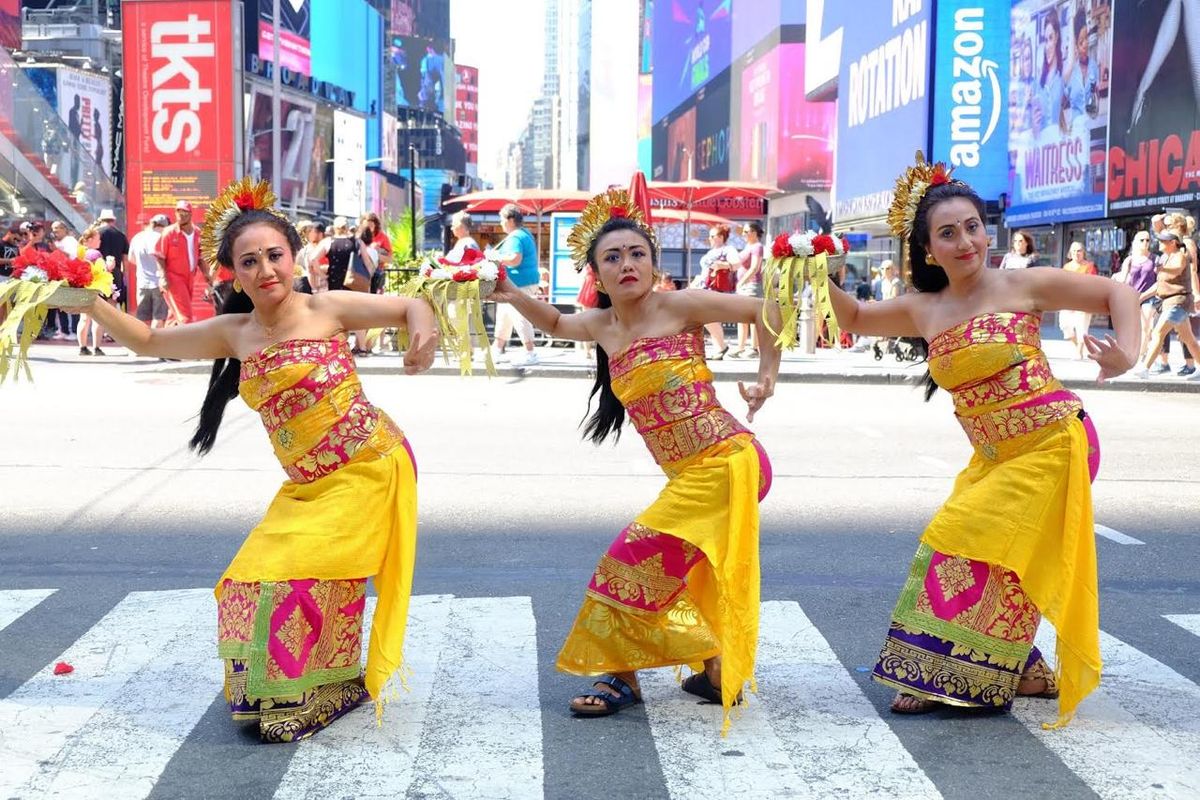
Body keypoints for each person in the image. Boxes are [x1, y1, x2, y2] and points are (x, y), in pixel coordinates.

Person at [70, 177, 439, 743]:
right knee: (245, 579)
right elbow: (146, 341)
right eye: (249, 262)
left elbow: (412, 306)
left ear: (294, 257)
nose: (265, 270)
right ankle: (312, 678)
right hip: (308, 485)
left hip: (369, 467)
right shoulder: (234, 333)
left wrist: (423, 338)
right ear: (232, 272)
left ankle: (334, 684)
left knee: (297, 576)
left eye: (274, 255)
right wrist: (81, 297)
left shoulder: (327, 307)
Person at [827, 153, 1138, 727]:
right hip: (994, 456)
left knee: (968, 536)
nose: (966, 241)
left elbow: (1118, 293)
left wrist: (1128, 352)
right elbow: (854, 319)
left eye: (973, 226)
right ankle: (1008, 667)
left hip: (1055, 441)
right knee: (981, 549)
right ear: (927, 250)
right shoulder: (924, 309)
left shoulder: (1020, 284)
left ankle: (952, 671)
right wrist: (812, 267)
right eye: (948, 233)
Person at [489, 188, 781, 729]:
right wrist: (506, 290)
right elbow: (554, 324)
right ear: (597, 274)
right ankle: (718, 670)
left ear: (654, 262)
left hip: (729, 459)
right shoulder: (602, 327)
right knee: (692, 572)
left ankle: (620, 675)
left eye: (637, 254)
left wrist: (766, 377)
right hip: (692, 474)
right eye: (613, 257)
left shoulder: (680, 306)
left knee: (629, 560)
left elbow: (766, 310)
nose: (627, 264)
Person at [1134, 230, 1200, 378]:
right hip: (1169, 302)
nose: (1159, 243)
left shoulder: (1180, 255)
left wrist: (1162, 268)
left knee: (1158, 332)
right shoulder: (1166, 258)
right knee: (1189, 339)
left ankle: (1145, 368)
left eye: (1163, 241)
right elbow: (1159, 284)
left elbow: (1177, 270)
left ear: (1173, 243)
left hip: (1178, 301)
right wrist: (1141, 297)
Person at [488, 204, 540, 366]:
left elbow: (515, 260)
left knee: (519, 316)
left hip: (519, 284)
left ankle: (530, 352)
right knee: (504, 315)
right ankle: (496, 349)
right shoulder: (524, 234)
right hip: (521, 282)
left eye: (502, 219)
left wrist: (494, 256)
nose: (500, 223)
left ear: (510, 220)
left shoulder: (515, 237)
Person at [156, 200, 210, 325]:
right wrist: (163, 277)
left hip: (189, 278)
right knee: (186, 317)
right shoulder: (169, 233)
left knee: (174, 315)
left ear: (190, 214)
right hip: (173, 279)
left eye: (184, 212)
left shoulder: (197, 233)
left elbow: (200, 256)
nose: (181, 215)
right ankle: (189, 343)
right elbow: (159, 256)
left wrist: (207, 274)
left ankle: (167, 342)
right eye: (178, 211)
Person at [1113, 230, 1163, 367]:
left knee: (1145, 326)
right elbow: (1123, 280)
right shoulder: (1130, 260)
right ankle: (1140, 352)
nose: (1145, 243)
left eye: (1147, 240)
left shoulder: (1155, 259)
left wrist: (1144, 296)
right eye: (1142, 240)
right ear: (1135, 242)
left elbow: (1160, 280)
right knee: (1134, 328)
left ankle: (1141, 357)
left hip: (1149, 297)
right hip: (1132, 298)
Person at [698, 224, 740, 359]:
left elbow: (737, 264)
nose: (709, 238)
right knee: (706, 318)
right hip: (704, 286)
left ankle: (720, 347)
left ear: (721, 237)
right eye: (709, 236)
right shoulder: (711, 252)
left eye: (712, 236)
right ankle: (720, 347)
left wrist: (722, 265)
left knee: (709, 317)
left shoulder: (728, 249)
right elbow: (704, 272)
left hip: (715, 288)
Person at [129, 215, 170, 329]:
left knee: (142, 318)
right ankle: (155, 344)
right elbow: (167, 259)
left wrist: (144, 266)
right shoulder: (161, 238)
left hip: (142, 282)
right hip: (159, 283)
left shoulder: (137, 237)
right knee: (159, 317)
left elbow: (131, 258)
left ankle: (142, 343)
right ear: (164, 226)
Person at [1058, 242, 1098, 358]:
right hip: (1068, 301)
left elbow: (1093, 284)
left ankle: (1079, 352)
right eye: (1074, 251)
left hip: (1084, 302)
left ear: (1083, 252)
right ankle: (1078, 348)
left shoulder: (1089, 266)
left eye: (1079, 250)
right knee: (1065, 326)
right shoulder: (1066, 267)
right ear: (1070, 253)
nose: (1077, 253)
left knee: (1082, 327)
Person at [75, 225, 109, 356]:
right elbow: (103, 270)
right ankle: (97, 347)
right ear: (89, 240)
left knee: (83, 318)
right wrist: (110, 266)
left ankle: (82, 347)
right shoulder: (95, 254)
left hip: (82, 288)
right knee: (97, 319)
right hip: (95, 288)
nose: (100, 241)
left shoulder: (80, 252)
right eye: (98, 239)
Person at [733, 221, 765, 358]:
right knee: (741, 318)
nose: (744, 234)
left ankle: (754, 348)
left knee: (752, 317)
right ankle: (740, 347)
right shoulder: (748, 246)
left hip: (752, 286)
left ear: (754, 232)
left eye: (746, 231)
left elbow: (755, 267)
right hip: (744, 286)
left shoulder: (757, 246)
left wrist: (742, 282)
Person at [1062, 8, 1099, 124]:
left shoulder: (1093, 67)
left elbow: (1095, 106)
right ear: (1076, 46)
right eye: (1081, 42)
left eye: (1086, 39)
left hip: (1090, 127)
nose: (1086, 44)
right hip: (1075, 132)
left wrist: (1095, 100)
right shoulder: (1070, 70)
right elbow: (1061, 103)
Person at [1033, 11, 1065, 134]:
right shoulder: (1037, 83)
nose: (1047, 46)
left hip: (1057, 148)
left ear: (1057, 37)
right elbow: (1035, 133)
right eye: (1045, 40)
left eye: (1050, 38)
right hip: (1041, 150)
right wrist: (1035, 126)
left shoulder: (1061, 78)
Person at [98, 209, 130, 310]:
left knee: (100, 301)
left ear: (101, 220)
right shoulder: (121, 235)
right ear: (113, 221)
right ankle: (111, 324)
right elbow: (125, 259)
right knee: (113, 299)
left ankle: (100, 324)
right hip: (115, 272)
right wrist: (125, 275)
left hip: (99, 272)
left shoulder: (96, 234)